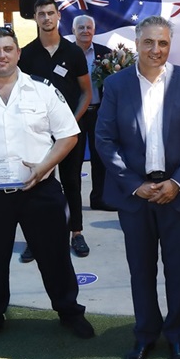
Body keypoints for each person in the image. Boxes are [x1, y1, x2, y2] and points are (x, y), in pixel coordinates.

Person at [0, 27, 95, 349]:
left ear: (18, 53)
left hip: (40, 190)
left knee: (54, 257)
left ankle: (69, 312)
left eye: (8, 48)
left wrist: (44, 166)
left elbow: (68, 135)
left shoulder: (42, 90)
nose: (2, 55)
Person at [94, 16, 180, 359]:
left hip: (178, 193)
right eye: (148, 42)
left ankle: (178, 336)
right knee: (140, 269)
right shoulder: (116, 85)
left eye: (162, 43)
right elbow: (104, 139)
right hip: (135, 195)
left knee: (177, 270)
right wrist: (134, 183)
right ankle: (145, 334)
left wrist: (177, 183)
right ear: (136, 42)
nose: (156, 50)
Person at [19, 0, 93, 258]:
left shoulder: (73, 53)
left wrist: (71, 122)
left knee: (72, 181)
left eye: (51, 13)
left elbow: (86, 92)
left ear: (59, 16)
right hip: (38, 133)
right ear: (36, 18)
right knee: (37, 182)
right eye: (41, 14)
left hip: (71, 131)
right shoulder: (26, 55)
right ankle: (35, 237)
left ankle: (77, 233)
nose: (47, 18)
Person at [72, 14, 114, 211]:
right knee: (74, 159)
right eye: (81, 27)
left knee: (100, 158)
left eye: (89, 27)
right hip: (76, 114)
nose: (85, 31)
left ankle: (99, 198)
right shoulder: (67, 54)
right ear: (73, 31)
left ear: (94, 30)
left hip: (99, 112)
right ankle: (74, 202)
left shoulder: (105, 54)